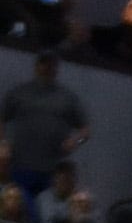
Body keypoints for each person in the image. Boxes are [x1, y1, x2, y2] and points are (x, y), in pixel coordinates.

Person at [0, 47, 89, 189]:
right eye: (44, 63)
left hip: (53, 170)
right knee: (19, 206)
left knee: (48, 208)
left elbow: (85, 130)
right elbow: (2, 118)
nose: (47, 68)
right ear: (36, 66)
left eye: (52, 64)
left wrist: (75, 141)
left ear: (57, 69)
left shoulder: (67, 97)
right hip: (19, 166)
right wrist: (3, 144)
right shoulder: (19, 93)